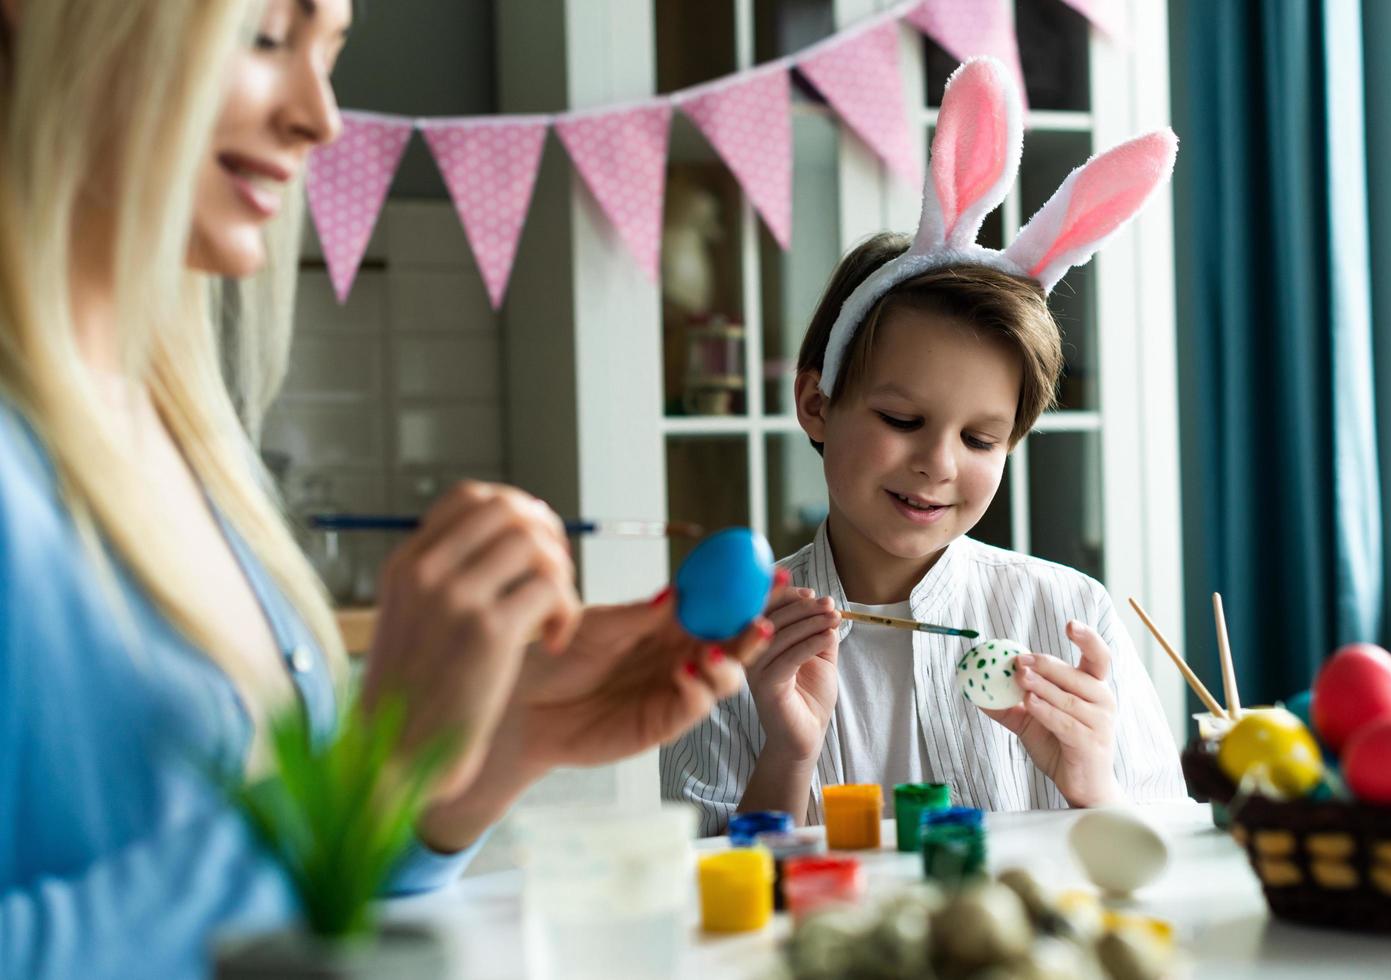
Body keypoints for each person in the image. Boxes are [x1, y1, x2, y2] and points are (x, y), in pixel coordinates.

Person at [0, 1, 769, 976]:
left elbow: (296, 910)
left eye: (332, 53)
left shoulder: (183, 439)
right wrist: (386, 763)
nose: (319, 118)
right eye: (267, 36)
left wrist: (477, 756)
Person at [661, 58, 1187, 836]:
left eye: (980, 438)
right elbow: (699, 905)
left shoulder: (1068, 612)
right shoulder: (735, 634)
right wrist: (788, 754)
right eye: (903, 421)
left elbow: (1159, 862)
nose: (938, 464)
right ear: (816, 404)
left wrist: (1091, 785)